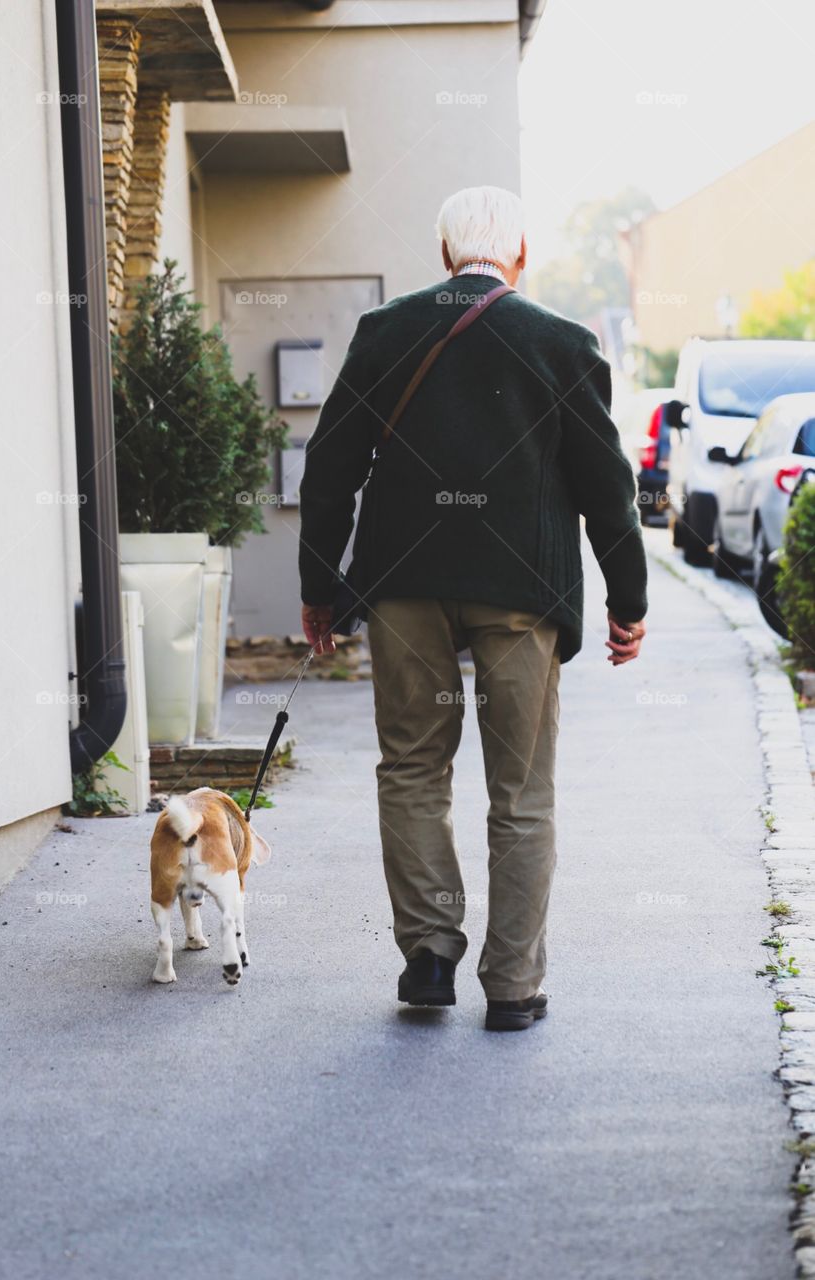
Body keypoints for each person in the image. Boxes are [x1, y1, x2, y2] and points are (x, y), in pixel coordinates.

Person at [298, 185, 647, 1031]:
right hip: (521, 593)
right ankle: (513, 985)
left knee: (412, 767)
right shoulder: (561, 344)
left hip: (403, 586)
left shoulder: (386, 333)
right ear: (519, 255)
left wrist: (318, 590)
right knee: (520, 791)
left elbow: (330, 463)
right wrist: (626, 601)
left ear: (445, 254)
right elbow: (609, 487)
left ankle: (427, 953)